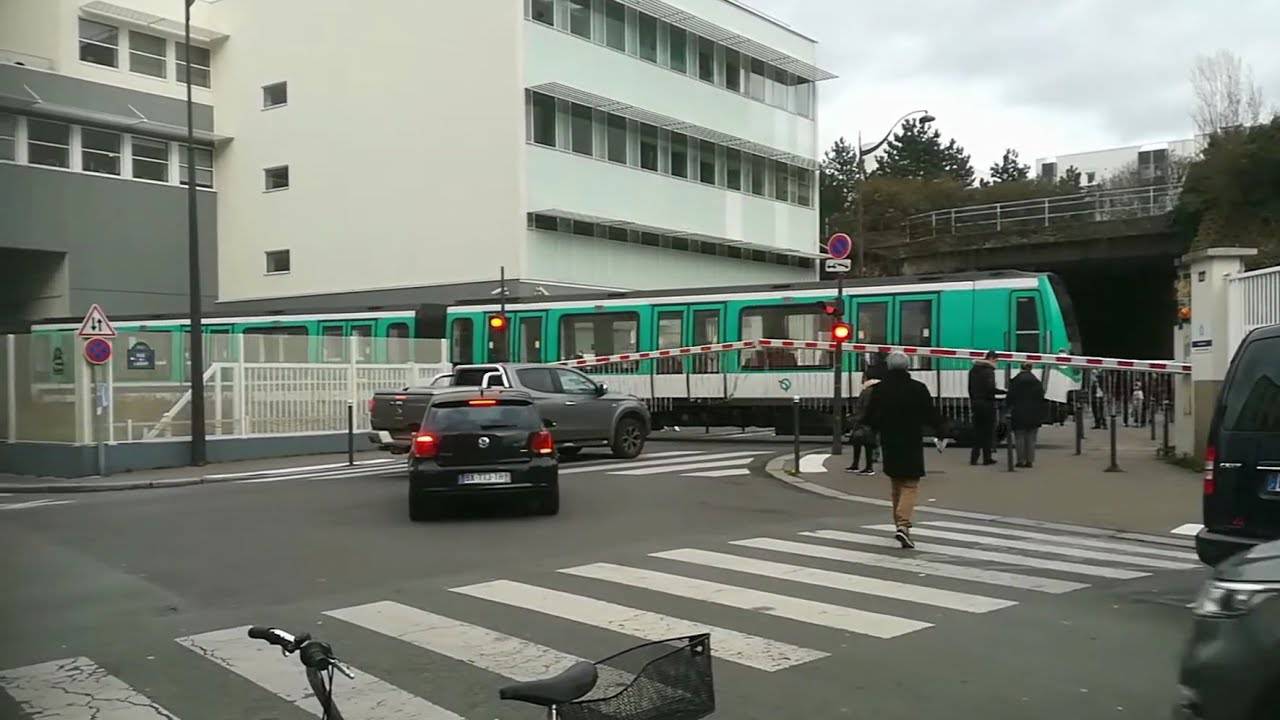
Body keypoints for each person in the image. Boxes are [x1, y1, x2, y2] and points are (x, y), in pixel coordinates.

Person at [863, 351, 947, 549]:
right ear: (908, 367)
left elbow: (870, 417)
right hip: (911, 439)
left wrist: (874, 430)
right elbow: (930, 413)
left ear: (889, 367)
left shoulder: (880, 390)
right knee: (910, 483)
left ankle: (899, 524)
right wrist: (942, 430)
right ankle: (903, 525)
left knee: (896, 484)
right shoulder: (917, 388)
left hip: (889, 440)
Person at [846, 363, 884, 475]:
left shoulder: (867, 390)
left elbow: (863, 407)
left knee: (863, 442)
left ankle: (866, 467)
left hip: (865, 421)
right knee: (868, 442)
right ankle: (862, 465)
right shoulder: (878, 389)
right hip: (873, 420)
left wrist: (854, 418)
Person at [967, 350, 1004, 465]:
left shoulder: (973, 370)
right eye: (996, 360)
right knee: (988, 432)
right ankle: (987, 458)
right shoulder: (988, 371)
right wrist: (1003, 391)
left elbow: (970, 388)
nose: (996, 363)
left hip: (976, 403)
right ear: (992, 359)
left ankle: (974, 458)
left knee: (978, 431)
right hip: (987, 404)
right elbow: (990, 389)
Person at [1007, 362, 1045, 468]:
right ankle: (1030, 461)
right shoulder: (1037, 382)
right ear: (1031, 368)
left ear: (1021, 368)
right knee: (1031, 438)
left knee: (1019, 437)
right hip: (1034, 413)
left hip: (1018, 412)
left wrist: (1008, 408)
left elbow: (1010, 397)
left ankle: (1021, 460)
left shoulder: (1015, 381)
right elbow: (1041, 397)